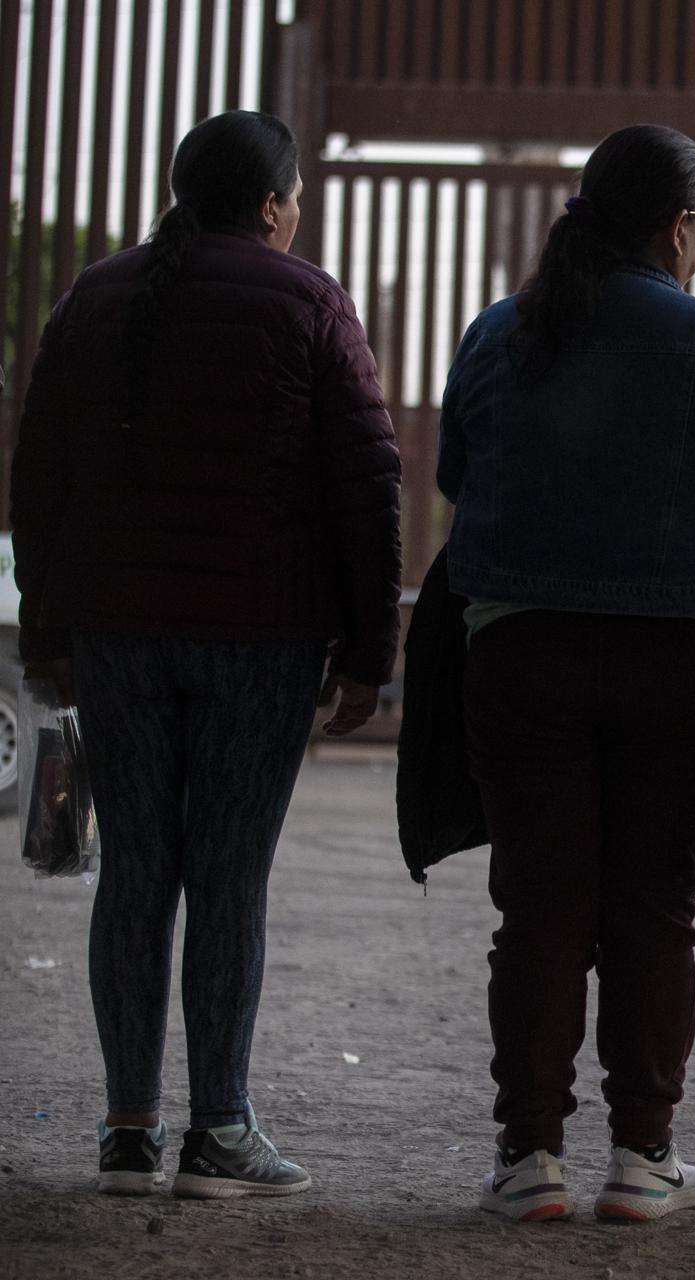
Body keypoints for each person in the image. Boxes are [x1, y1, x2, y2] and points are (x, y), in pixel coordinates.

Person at [10, 110, 401, 1199]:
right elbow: (366, 488)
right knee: (227, 876)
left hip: (119, 639)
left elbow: (38, 478)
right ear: (274, 204)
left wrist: (50, 633)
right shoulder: (311, 303)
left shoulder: (96, 295)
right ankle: (218, 1128)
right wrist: (369, 651)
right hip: (259, 643)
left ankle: (129, 1128)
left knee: (137, 870)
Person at [435, 124, 695, 1223]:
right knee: (655, 906)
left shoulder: (498, 332)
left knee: (539, 906)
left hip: (519, 652)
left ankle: (530, 1156)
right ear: (678, 227)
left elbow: (461, 473)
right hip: (677, 661)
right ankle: (642, 1156)